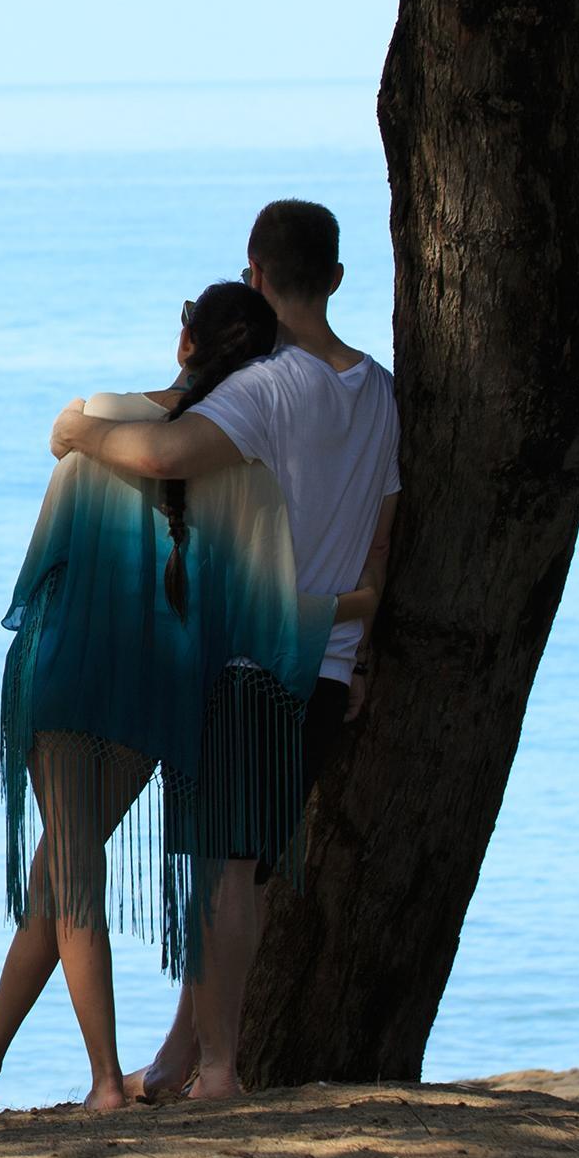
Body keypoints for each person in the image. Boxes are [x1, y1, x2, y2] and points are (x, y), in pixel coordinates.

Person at [0, 279, 298, 1118]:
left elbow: (44, 565)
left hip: (70, 675)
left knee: (71, 874)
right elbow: (248, 596)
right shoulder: (242, 458)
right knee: (57, 872)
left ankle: (104, 1083)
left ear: (186, 341)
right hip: (156, 687)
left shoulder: (102, 413)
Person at [81, 198, 400, 1105]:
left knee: (223, 869)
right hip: (330, 667)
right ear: (335, 277)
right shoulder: (378, 391)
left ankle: (220, 1065)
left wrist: (83, 433)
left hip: (250, 661)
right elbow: (382, 532)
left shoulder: (261, 385)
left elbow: (166, 454)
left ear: (253, 274)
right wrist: (363, 653)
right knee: (243, 862)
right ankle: (185, 1054)